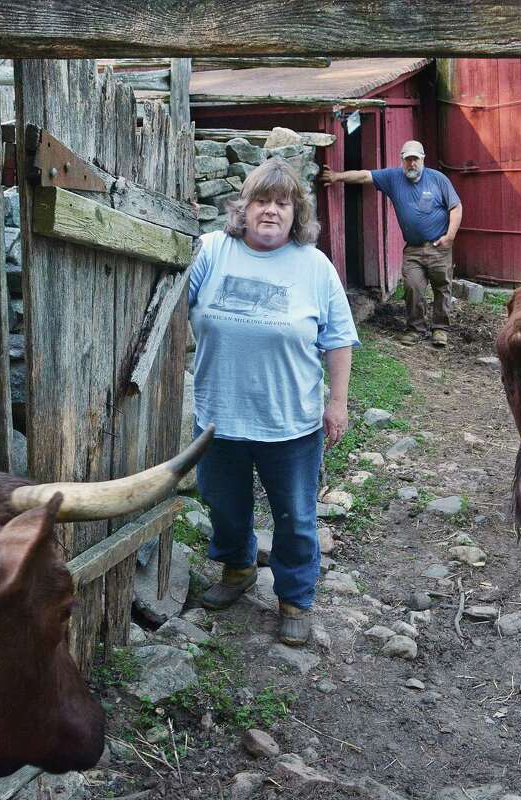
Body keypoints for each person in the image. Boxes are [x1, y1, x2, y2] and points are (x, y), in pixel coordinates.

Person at [188, 158, 359, 647]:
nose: (271, 211)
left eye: (282, 203)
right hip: (219, 418)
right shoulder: (211, 250)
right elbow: (171, 294)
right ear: (242, 208)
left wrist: (338, 403)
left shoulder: (314, 266)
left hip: (291, 422)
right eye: (261, 201)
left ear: (296, 212)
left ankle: (295, 599)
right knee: (224, 506)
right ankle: (239, 569)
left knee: (296, 517)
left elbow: (338, 339)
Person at [320, 140, 463, 348]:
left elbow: (456, 207)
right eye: (408, 160)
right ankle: (416, 329)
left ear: (423, 159)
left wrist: (449, 237)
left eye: (415, 159)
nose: (411, 164)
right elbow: (364, 175)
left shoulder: (438, 179)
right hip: (413, 248)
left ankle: (440, 329)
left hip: (439, 246)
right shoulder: (393, 178)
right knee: (413, 287)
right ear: (402, 160)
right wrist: (336, 176)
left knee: (442, 287)